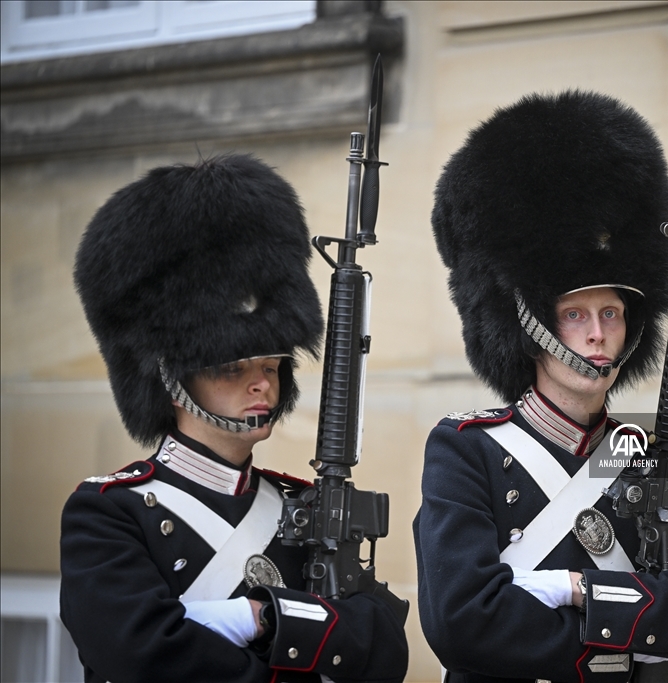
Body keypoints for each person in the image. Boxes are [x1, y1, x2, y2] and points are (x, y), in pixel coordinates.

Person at [414, 91, 668, 683]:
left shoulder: (644, 458)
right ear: (532, 324)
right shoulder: (467, 450)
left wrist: (570, 591)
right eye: (574, 315)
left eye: (611, 314)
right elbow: (462, 622)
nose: (597, 335)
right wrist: (626, 636)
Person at [61, 154, 408, 683]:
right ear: (170, 379)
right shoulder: (108, 512)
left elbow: (382, 645)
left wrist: (247, 623)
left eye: (271, 365)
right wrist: (276, 618)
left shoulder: (298, 505)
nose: (262, 383)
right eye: (232, 367)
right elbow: (140, 653)